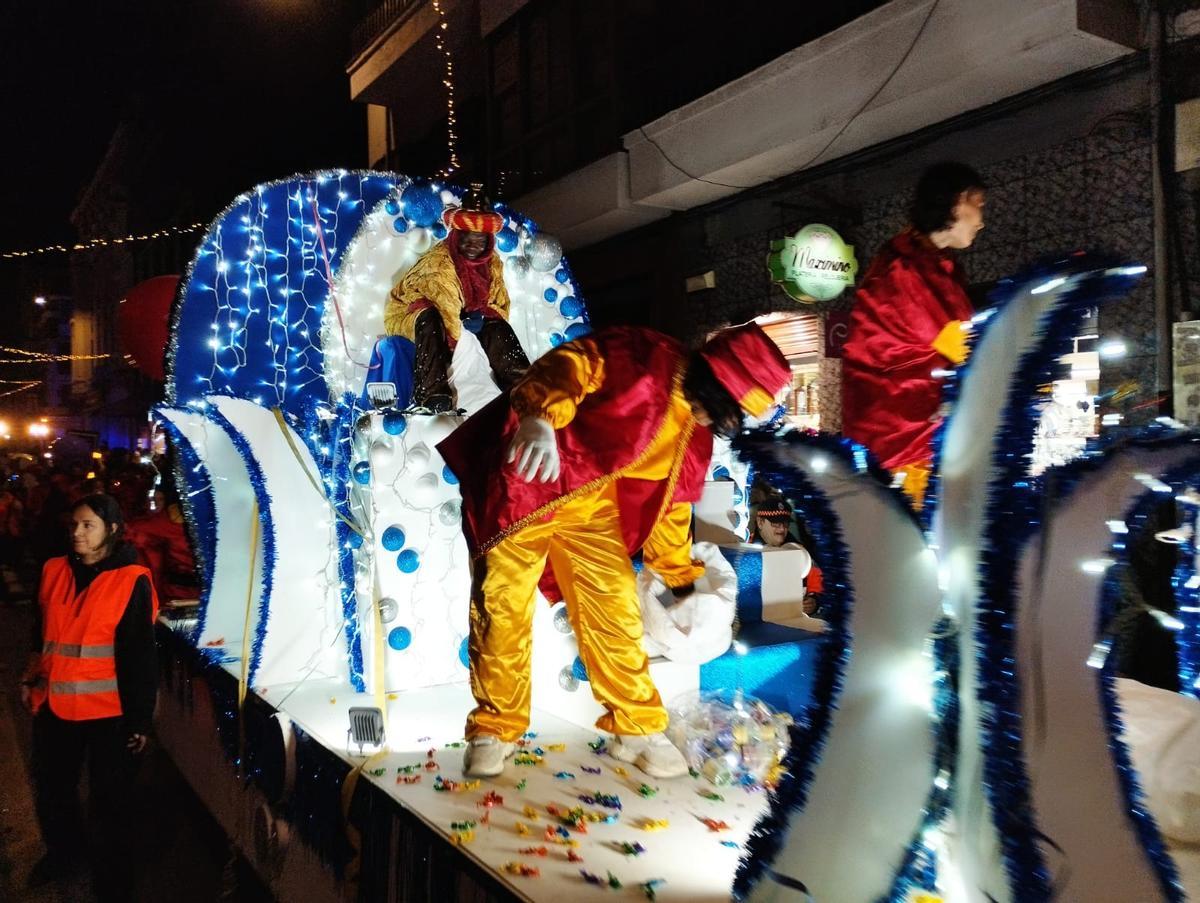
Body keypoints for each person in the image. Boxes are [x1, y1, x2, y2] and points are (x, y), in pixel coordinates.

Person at [439, 323, 791, 779]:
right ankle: (495, 729)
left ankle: (637, 726)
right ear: (717, 382)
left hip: (588, 505)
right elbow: (574, 364)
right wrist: (540, 416)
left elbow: (672, 510)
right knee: (502, 604)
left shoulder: (694, 434)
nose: (720, 422)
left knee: (616, 606)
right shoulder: (645, 356)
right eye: (728, 408)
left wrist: (681, 584)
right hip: (524, 482)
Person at [19, 493, 159, 899]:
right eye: (74, 525)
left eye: (88, 526)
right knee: (53, 791)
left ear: (111, 530)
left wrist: (139, 720)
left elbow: (139, 656)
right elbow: (39, 631)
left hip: (108, 713)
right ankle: (63, 854)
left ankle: (114, 883)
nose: (77, 533)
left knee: (110, 805)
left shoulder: (132, 579)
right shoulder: (53, 569)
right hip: (54, 707)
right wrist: (32, 678)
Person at [841, 161, 986, 508]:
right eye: (978, 204)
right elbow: (967, 349)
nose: (981, 220)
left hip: (905, 440)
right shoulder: (909, 271)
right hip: (904, 444)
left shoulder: (919, 261)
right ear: (955, 202)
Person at [382, 183, 530, 411]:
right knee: (429, 317)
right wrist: (464, 332)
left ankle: (525, 386)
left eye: (480, 240)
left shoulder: (493, 263)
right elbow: (446, 309)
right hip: (412, 313)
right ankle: (432, 394)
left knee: (497, 327)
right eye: (467, 239)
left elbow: (499, 304)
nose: (473, 246)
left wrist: (484, 320)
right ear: (457, 236)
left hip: (462, 316)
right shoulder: (440, 263)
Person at [752, 496, 827, 619]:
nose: (782, 529)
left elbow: (819, 585)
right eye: (775, 523)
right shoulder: (745, 550)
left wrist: (814, 601)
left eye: (785, 523)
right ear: (760, 522)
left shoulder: (801, 553)